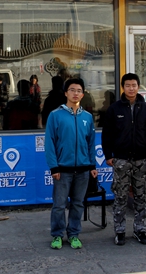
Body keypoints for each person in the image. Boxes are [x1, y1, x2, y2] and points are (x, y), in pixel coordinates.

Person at [45, 78, 97, 250]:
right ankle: (57, 235)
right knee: (59, 205)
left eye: (79, 90)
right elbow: (50, 143)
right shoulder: (55, 115)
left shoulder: (87, 117)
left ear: (83, 94)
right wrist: (54, 167)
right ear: (66, 93)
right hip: (62, 169)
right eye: (72, 90)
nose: (76, 93)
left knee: (78, 203)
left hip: (83, 170)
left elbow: (91, 143)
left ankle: (74, 234)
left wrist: (92, 165)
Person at [102, 73, 146, 246]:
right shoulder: (114, 109)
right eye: (128, 85)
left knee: (141, 196)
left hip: (141, 160)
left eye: (134, 85)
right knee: (120, 197)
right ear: (123, 87)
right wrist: (108, 155)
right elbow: (107, 134)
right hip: (121, 160)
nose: (131, 88)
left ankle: (140, 229)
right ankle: (120, 231)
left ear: (138, 87)